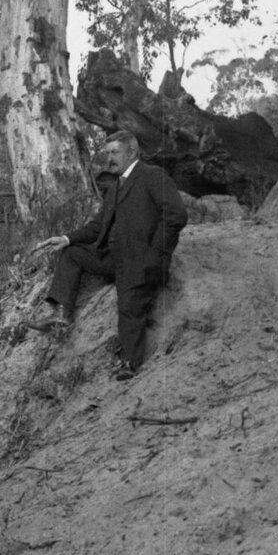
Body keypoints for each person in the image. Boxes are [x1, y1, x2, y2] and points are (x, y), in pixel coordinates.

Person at [43, 123, 188, 376]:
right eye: (107, 153)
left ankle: (129, 364)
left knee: (129, 307)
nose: (108, 158)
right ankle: (62, 313)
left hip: (142, 261)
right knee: (73, 253)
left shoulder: (153, 176)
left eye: (114, 153)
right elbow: (97, 226)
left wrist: (155, 254)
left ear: (131, 152)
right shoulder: (116, 186)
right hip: (113, 258)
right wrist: (67, 238)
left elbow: (176, 215)